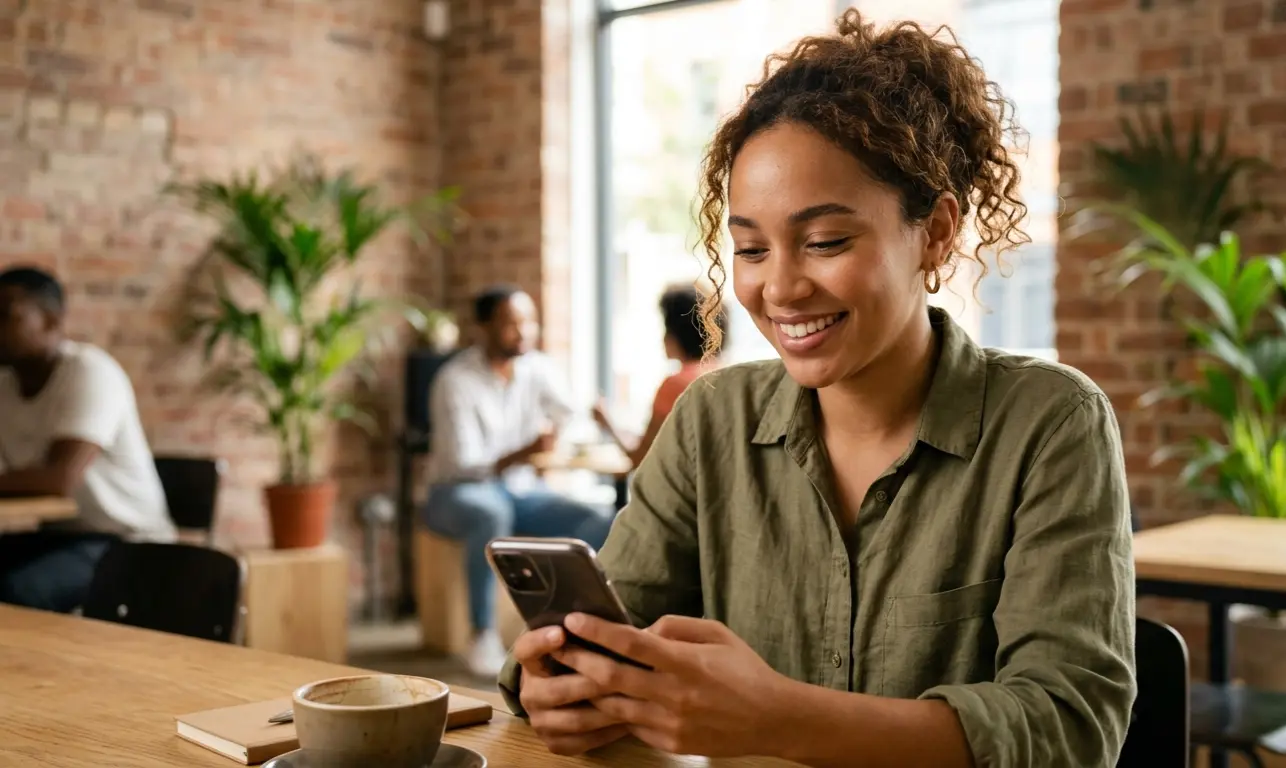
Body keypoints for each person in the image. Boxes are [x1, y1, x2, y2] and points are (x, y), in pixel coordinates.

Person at [501, 11, 1135, 767]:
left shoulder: (1051, 423)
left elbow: (1066, 727)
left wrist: (776, 718)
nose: (781, 287)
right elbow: (608, 622)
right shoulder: (713, 420)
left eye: (826, 241)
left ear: (934, 233)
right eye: (750, 249)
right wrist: (547, 679)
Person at [423, 284, 615, 678]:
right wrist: (524, 451)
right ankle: (481, 634)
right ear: (483, 326)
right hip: (454, 492)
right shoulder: (455, 380)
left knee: (598, 519)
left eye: (529, 321)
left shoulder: (537, 368)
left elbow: (572, 414)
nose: (524, 331)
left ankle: (585, 626)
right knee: (489, 514)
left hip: (521, 491)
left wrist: (595, 419)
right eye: (511, 322)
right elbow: (463, 462)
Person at [0, 267, 175, 613]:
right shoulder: (5, 386)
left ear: (51, 320)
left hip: (129, 540)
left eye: (5, 315)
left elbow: (59, 478)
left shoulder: (91, 372)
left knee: (17, 592)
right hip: (60, 535)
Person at [592, 284, 727, 468]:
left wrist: (607, 423)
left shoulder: (675, 385)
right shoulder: (727, 375)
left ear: (675, 333)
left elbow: (642, 458)